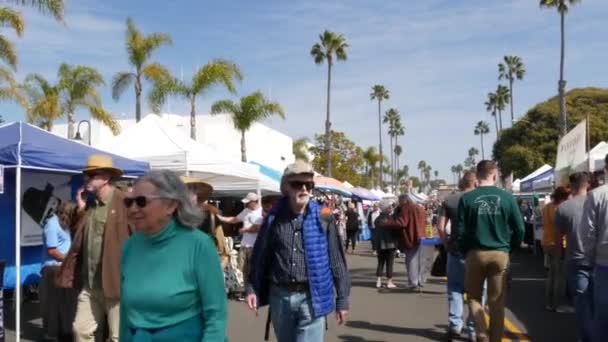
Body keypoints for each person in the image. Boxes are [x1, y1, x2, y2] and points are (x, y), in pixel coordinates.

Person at [246, 160, 351, 342]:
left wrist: (342, 299)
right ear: (286, 187)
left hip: (312, 297)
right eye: (297, 184)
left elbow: (337, 260)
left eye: (309, 185)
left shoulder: (324, 216)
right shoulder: (273, 218)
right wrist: (251, 288)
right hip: (280, 297)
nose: (304, 189)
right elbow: (260, 257)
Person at [119, 170, 227, 341]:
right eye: (128, 202)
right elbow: (126, 312)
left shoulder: (199, 245)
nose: (132, 209)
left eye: (141, 202)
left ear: (170, 205)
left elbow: (216, 315)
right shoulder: (130, 245)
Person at [57, 155, 130, 342]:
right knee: (80, 331)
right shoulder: (91, 206)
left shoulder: (125, 203)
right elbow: (79, 239)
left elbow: (143, 240)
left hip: (116, 286)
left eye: (92, 175)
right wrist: (81, 209)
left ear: (106, 178)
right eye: (86, 175)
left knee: (117, 337)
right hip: (90, 286)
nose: (86, 179)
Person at [454, 160, 525, 342]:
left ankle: (481, 332)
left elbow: (459, 231)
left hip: (475, 253)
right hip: (500, 253)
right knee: (497, 303)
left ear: (477, 176)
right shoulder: (507, 198)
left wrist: (464, 250)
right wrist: (510, 248)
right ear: (494, 176)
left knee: (473, 298)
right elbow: (520, 229)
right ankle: (494, 339)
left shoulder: (467, 198)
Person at [437, 171, 478, 341]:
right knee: (476, 292)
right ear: (475, 183)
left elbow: (440, 226)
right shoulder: (479, 199)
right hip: (476, 251)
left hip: (455, 250)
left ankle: (455, 326)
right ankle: (473, 329)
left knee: (455, 289)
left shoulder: (450, 200)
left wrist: (446, 244)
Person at [555, 172, 592, 341]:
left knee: (582, 304)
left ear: (572, 187)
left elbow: (558, 237)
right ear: (588, 185)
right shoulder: (599, 202)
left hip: (575, 260)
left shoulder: (564, 207)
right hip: (599, 259)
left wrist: (560, 256)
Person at [40, 201, 78, 341]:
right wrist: (70, 259)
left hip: (64, 267)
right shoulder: (52, 224)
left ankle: (64, 333)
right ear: (64, 213)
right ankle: (51, 334)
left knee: (67, 304)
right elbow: (52, 251)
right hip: (53, 268)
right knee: (53, 305)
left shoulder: (65, 224)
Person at [580, 154, 608, 342]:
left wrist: (590, 260)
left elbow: (588, 233)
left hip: (603, 263)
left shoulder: (597, 195)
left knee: (602, 317)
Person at [217, 192, 263, 299]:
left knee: (254, 269)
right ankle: (248, 291)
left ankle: (255, 291)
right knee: (243, 269)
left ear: (254, 202)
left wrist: (245, 230)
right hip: (244, 245)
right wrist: (222, 218)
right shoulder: (246, 211)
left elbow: (259, 227)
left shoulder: (260, 212)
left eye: (248, 202)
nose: (246, 205)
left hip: (254, 246)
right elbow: (235, 219)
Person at [378, 194, 427, 291]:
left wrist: (386, 224)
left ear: (403, 201)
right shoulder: (419, 208)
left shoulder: (406, 208)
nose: (398, 204)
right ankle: (419, 281)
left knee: (411, 261)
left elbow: (402, 222)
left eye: (399, 202)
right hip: (421, 237)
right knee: (419, 261)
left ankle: (413, 282)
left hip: (410, 238)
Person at [542, 186, 570, 311]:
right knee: (558, 275)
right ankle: (555, 304)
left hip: (547, 242)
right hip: (556, 243)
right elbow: (559, 227)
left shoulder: (547, 207)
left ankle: (549, 302)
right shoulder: (559, 208)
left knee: (551, 273)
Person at [374, 199, 398, 289]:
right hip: (390, 244)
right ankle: (389, 281)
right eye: (390, 207)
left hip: (380, 244)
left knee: (380, 262)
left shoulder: (377, 220)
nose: (391, 208)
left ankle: (378, 281)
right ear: (387, 208)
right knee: (390, 263)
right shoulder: (391, 219)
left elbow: (376, 233)